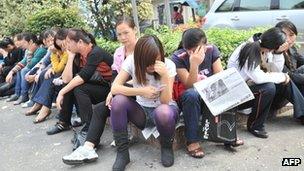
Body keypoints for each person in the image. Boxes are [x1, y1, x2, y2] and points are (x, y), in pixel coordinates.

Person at [62, 17, 138, 165]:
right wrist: (112, 91)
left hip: (140, 93)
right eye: (119, 34)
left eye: (126, 33)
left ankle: (94, 137)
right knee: (99, 108)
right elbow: (115, 77)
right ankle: (88, 148)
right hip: (120, 92)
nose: (122, 38)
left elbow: (145, 78)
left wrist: (116, 89)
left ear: (135, 30)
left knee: (114, 99)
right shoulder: (118, 53)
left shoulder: (144, 48)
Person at [172, 28, 243, 159]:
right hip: (190, 98)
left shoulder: (211, 50)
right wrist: (194, 64)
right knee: (192, 94)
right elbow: (189, 85)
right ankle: (192, 141)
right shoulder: (178, 57)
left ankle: (228, 135)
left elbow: (219, 77)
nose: (191, 53)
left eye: (196, 49)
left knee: (226, 89)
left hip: (210, 91)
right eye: (189, 50)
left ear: (205, 45)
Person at [109, 35, 179, 170]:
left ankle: (166, 147)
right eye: (149, 62)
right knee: (118, 101)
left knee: (162, 111)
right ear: (140, 58)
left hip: (165, 112)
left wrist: (164, 75)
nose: (153, 65)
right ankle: (122, 153)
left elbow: (165, 101)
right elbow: (115, 88)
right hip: (142, 111)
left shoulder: (168, 65)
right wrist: (141, 92)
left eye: (157, 60)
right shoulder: (131, 61)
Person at [228, 27, 304, 139]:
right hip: (236, 96)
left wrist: (278, 54)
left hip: (250, 88)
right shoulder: (249, 49)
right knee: (268, 87)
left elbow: (275, 71)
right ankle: (255, 126)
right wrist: (282, 76)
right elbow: (259, 78)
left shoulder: (264, 49)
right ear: (274, 45)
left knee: (284, 81)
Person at [54, 29, 113, 138]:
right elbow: (67, 80)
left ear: (80, 42)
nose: (66, 46)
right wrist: (70, 57)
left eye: (68, 42)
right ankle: (65, 122)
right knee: (72, 86)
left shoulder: (95, 52)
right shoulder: (78, 56)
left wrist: (61, 93)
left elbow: (83, 77)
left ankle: (89, 128)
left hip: (111, 90)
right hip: (99, 87)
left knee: (78, 87)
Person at [25, 28, 68, 123]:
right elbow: (44, 61)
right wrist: (38, 72)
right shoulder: (52, 49)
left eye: (53, 40)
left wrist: (49, 68)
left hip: (65, 74)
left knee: (48, 75)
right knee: (42, 73)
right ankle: (38, 103)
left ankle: (45, 107)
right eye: (48, 41)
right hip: (58, 70)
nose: (51, 42)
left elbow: (59, 66)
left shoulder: (64, 49)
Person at [6, 32, 47, 105]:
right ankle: (18, 93)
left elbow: (29, 65)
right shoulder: (29, 50)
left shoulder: (41, 50)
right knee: (19, 70)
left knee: (24, 70)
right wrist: (11, 72)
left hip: (40, 70)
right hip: (33, 70)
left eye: (24, 43)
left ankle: (24, 95)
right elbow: (22, 62)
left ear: (31, 42)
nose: (23, 45)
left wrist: (30, 52)